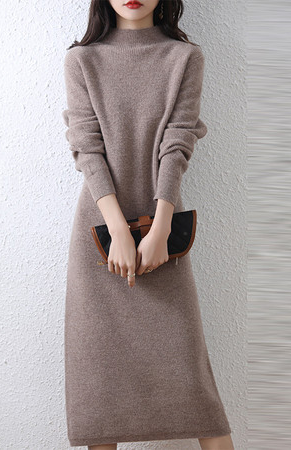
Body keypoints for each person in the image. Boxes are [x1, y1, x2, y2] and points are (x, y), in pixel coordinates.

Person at [62, 1, 234, 449]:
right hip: (99, 236)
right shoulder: (82, 60)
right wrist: (119, 231)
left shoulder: (185, 57)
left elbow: (177, 144)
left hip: (164, 235)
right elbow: (87, 148)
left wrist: (159, 228)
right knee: (101, 389)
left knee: (193, 384)